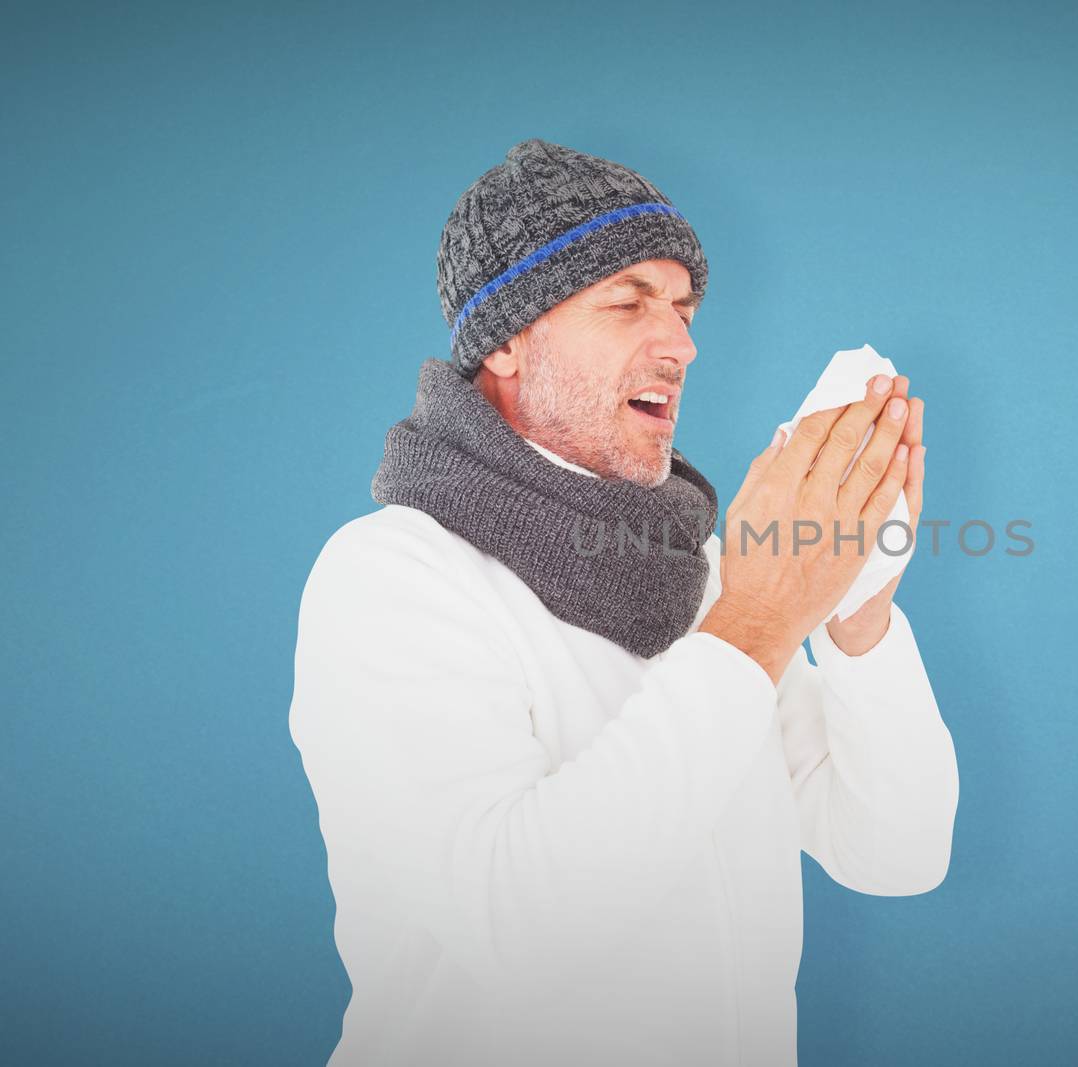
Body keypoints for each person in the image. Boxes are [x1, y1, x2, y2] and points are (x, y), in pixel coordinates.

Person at [288, 137, 959, 1067]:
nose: (682, 344)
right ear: (510, 340)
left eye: (683, 308)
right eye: (627, 303)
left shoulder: (704, 582)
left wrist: (854, 610)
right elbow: (514, 923)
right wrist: (760, 624)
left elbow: (896, 850)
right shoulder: (392, 578)